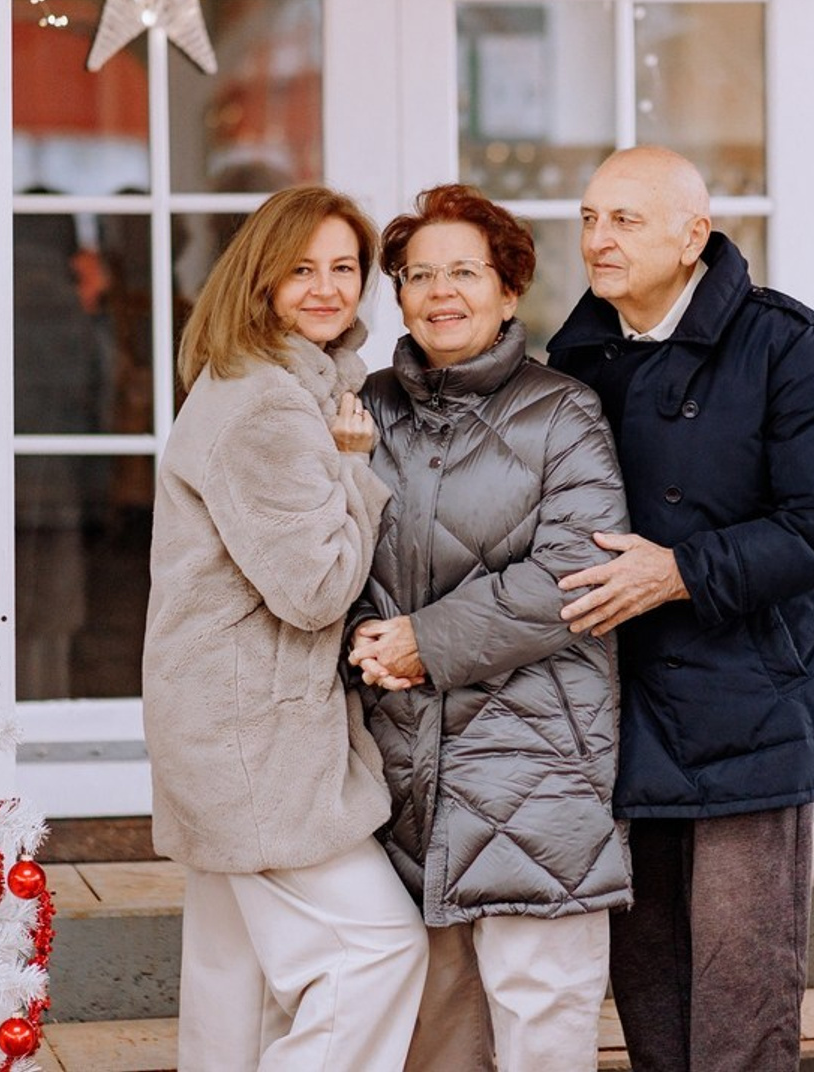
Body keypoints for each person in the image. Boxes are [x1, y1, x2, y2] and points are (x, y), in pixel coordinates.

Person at [547, 146, 814, 1072]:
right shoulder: (576, 354)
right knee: (648, 990)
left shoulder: (785, 344)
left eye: (625, 220)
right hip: (625, 705)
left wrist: (680, 572)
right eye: (589, 218)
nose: (598, 241)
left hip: (754, 707)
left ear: (694, 238)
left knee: (741, 1000)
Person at [346, 183, 632, 1072]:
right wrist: (365, 634)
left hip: (535, 762)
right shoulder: (365, 407)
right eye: (419, 275)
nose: (441, 293)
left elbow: (570, 577)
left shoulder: (563, 412)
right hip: (398, 769)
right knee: (431, 1039)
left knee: (541, 1021)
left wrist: (426, 641)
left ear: (509, 290)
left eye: (464, 272)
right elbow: (328, 544)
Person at [142, 185, 427, 1071]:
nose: (327, 288)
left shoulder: (263, 383)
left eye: (344, 268)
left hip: (223, 724)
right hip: (253, 739)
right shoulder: (267, 404)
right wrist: (353, 470)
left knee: (236, 988)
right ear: (260, 279)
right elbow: (313, 588)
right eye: (301, 269)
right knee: (379, 949)